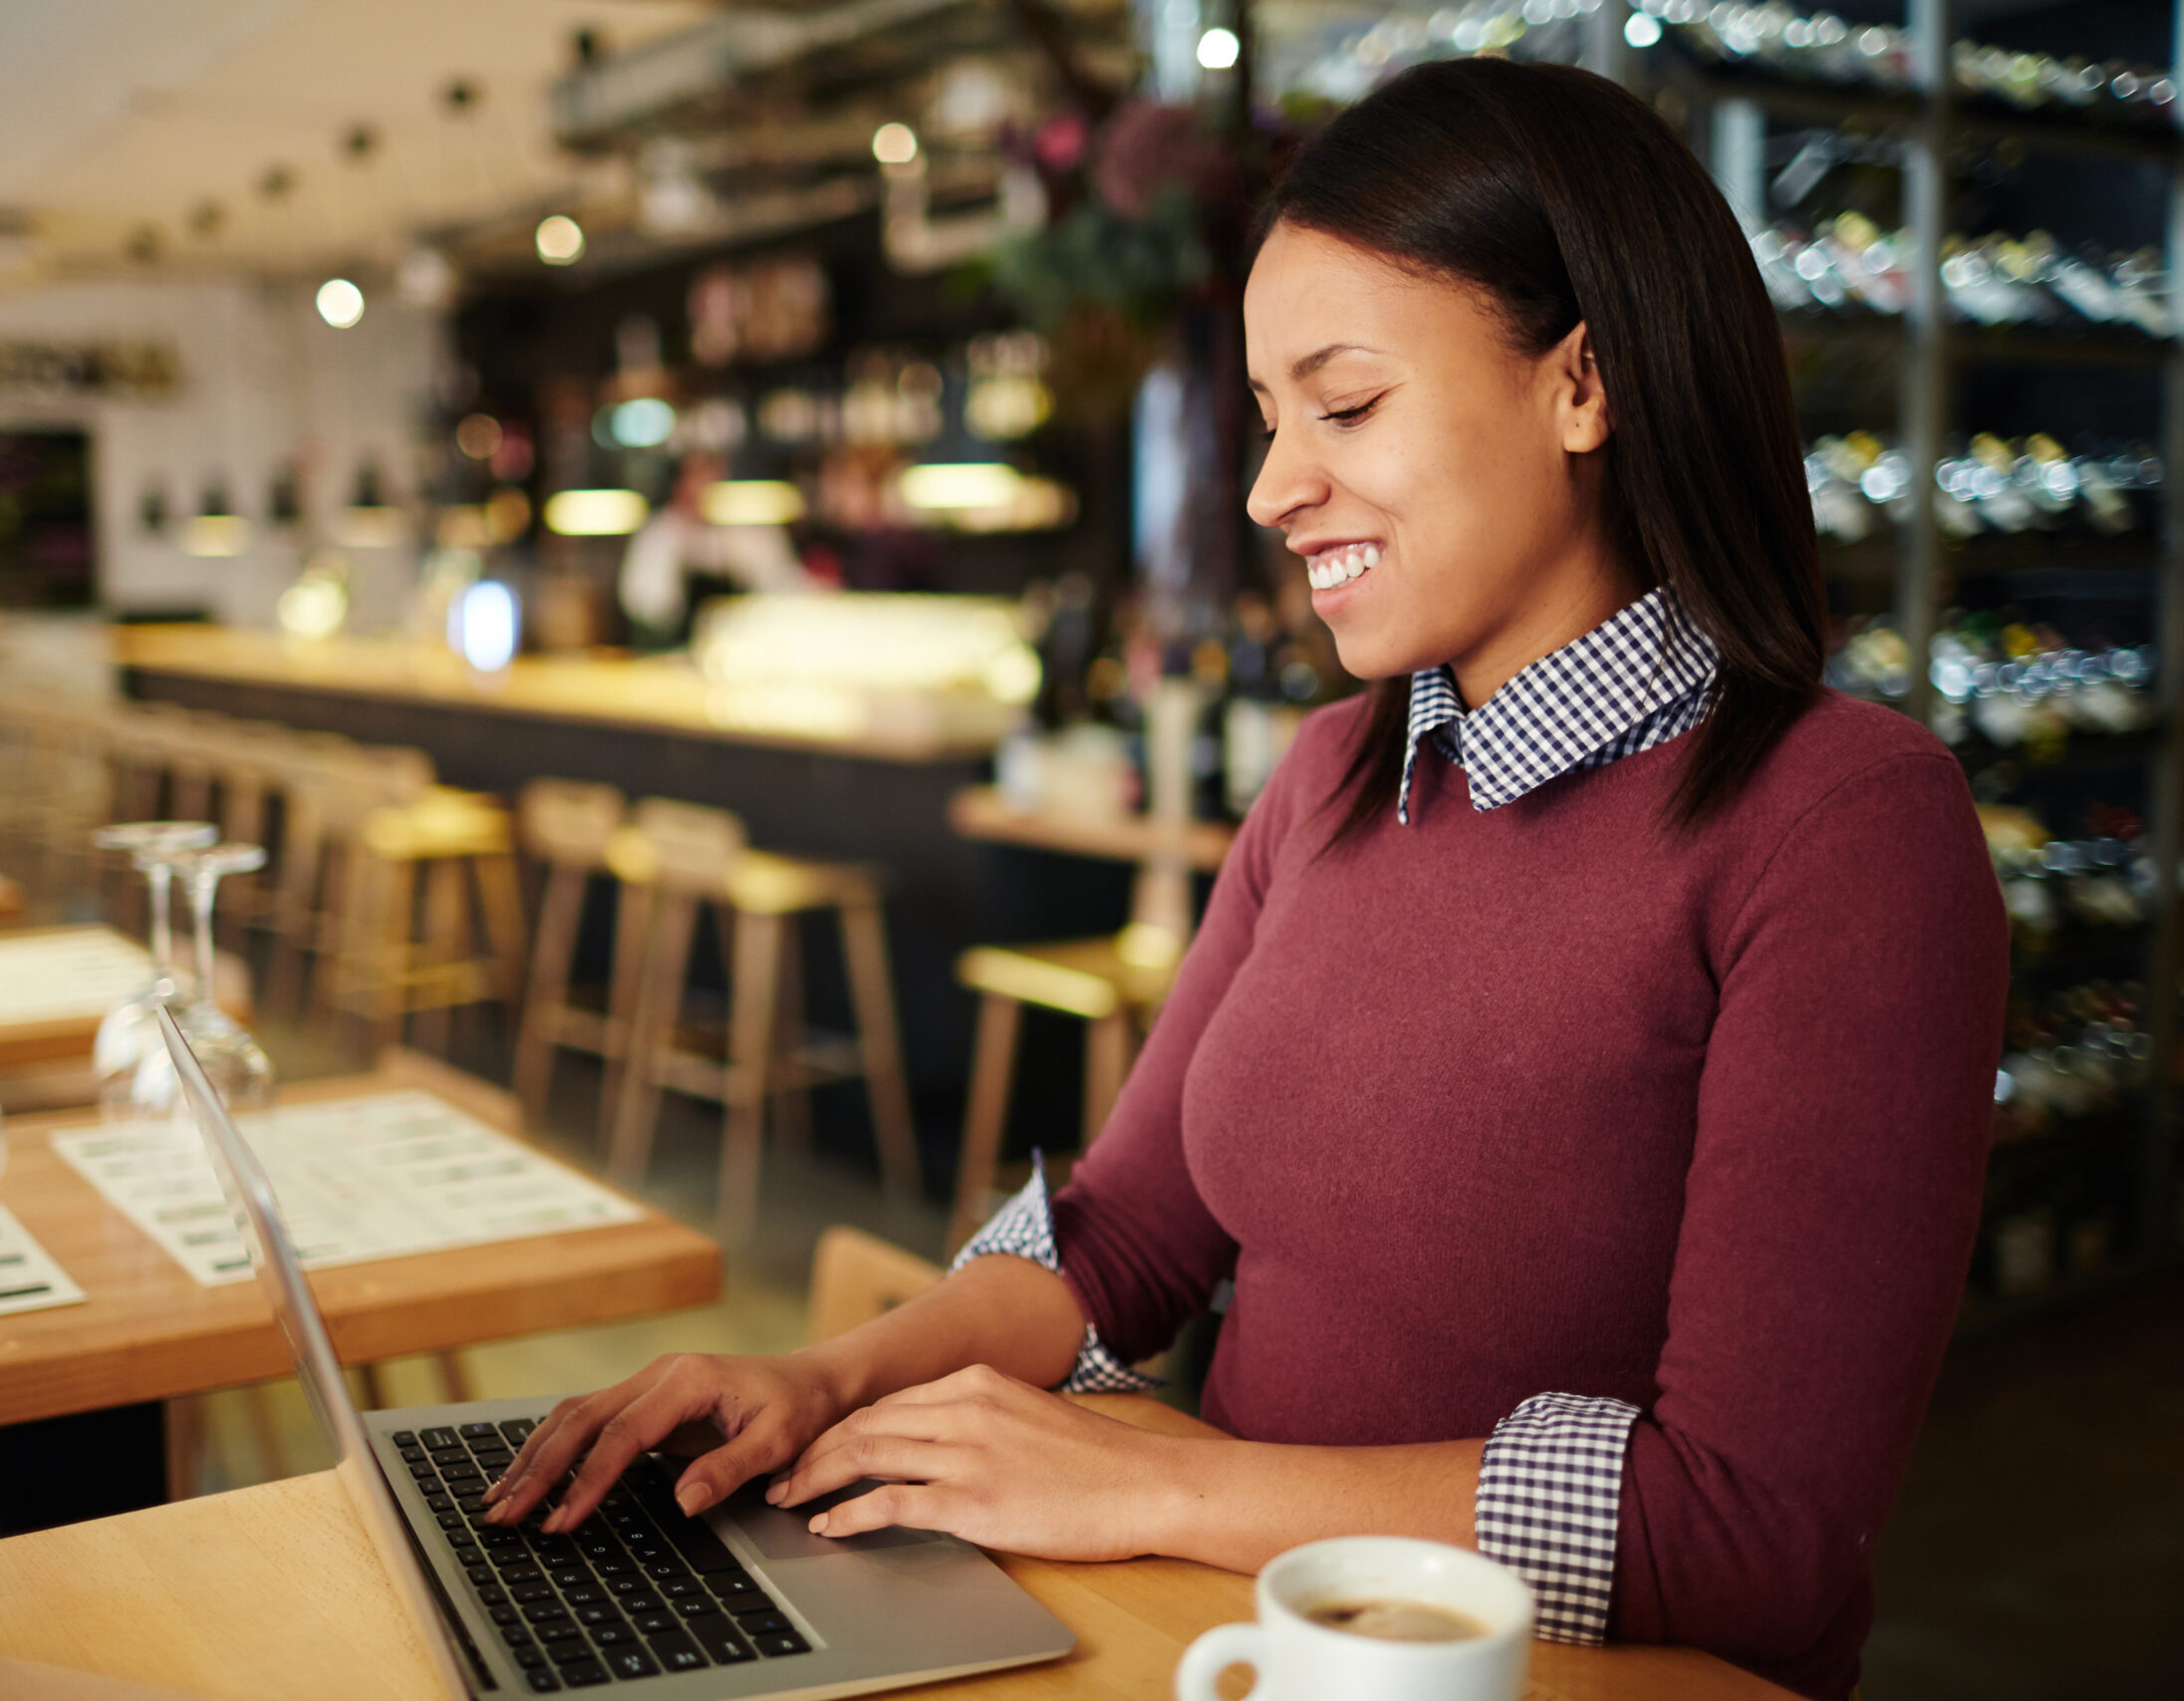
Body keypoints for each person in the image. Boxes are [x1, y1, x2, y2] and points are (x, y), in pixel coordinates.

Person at [485, 59, 2005, 1701]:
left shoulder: (1846, 824)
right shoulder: (1333, 772)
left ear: (1588, 382)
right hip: (1235, 1646)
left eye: (1345, 406)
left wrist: (1157, 1481)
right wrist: (826, 1377)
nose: (1275, 488)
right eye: (1273, 418)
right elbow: (1130, 1230)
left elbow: (1755, 1531)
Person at [617, 451, 805, 648]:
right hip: (675, 649)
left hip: (743, 648)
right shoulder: (659, 535)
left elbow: (782, 587)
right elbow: (644, 604)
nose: (706, 485)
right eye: (698, 477)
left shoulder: (749, 530)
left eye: (714, 476)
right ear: (679, 485)